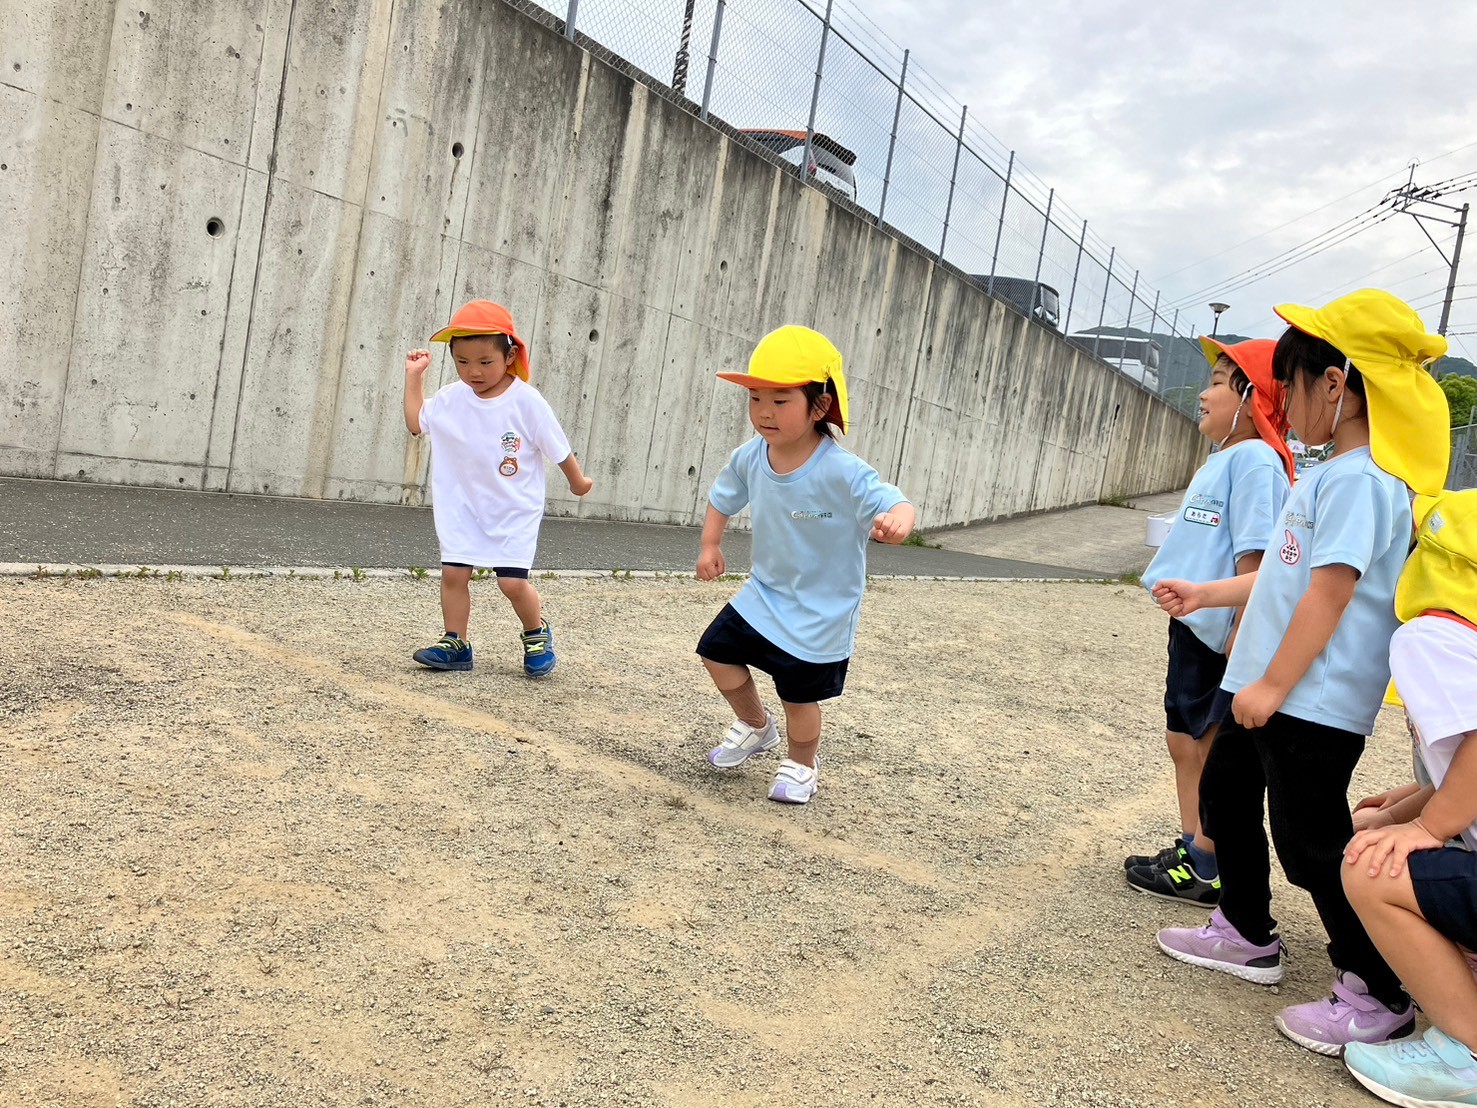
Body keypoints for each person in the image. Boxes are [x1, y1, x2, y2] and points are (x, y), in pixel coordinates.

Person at [1151, 290, 1450, 1055]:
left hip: (1309, 699)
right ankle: (1244, 929)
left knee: (1310, 840)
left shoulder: (1362, 481)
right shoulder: (1329, 473)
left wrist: (1273, 686)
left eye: (1290, 383)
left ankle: (1377, 989)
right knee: (1224, 794)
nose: (1282, 399)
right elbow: (1285, 579)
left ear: (1336, 384)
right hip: (1269, 687)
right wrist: (1207, 594)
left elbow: (1330, 593)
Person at [695, 325, 914, 805]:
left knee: (798, 694)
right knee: (715, 651)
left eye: (781, 400)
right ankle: (756, 725)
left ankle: (802, 764)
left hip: (821, 609)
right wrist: (710, 544)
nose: (764, 412)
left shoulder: (842, 470)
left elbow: (894, 501)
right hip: (766, 592)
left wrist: (898, 521)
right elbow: (722, 496)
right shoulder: (751, 456)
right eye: (755, 398)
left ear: (820, 406)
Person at [1127, 337, 1293, 906]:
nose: (1203, 393)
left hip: (1220, 631)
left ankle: (1207, 859)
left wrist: (1242, 635)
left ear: (1252, 399)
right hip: (1194, 624)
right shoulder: (1226, 458)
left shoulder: (1256, 462)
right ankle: (1193, 847)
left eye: (1219, 382)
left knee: (1206, 743)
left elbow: (1257, 558)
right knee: (1183, 738)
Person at [1342, 488, 1477, 1107]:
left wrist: (1424, 829)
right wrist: (1402, 811)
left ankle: (1468, 1051)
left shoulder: (1433, 635)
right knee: (1388, 836)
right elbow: (1458, 771)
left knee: (1370, 869)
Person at [403, 300, 593, 677]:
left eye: (485, 361)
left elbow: (558, 447)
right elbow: (415, 423)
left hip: (512, 510)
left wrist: (578, 481)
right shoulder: (451, 399)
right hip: (462, 508)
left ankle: (536, 632)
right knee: (454, 575)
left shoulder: (526, 401)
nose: (473, 371)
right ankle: (456, 642)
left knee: (511, 582)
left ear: (510, 356)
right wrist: (414, 376)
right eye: (462, 361)